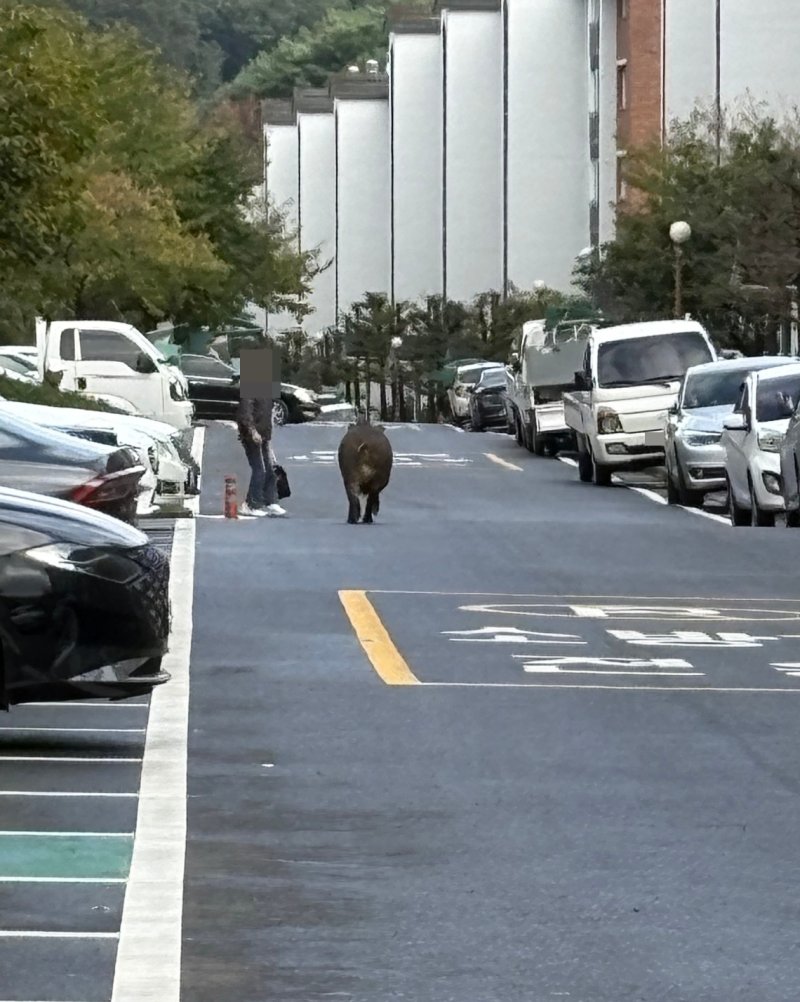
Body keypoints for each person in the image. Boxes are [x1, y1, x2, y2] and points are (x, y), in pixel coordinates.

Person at [236, 394, 287, 518]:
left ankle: (271, 501)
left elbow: (266, 417)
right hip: (252, 437)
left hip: (263, 436)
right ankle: (250, 504)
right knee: (260, 470)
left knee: (269, 469)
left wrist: (268, 439)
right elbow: (244, 414)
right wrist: (252, 431)